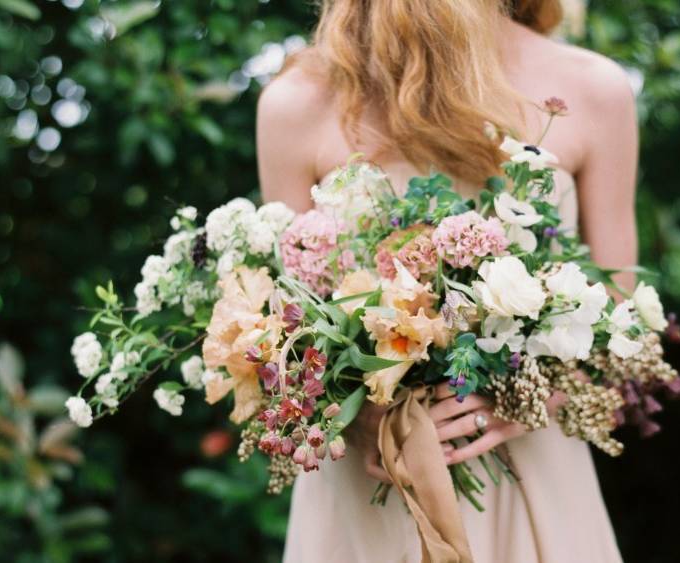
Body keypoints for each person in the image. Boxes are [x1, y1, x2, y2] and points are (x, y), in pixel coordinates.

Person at [257, 1, 636, 561]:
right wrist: (357, 422)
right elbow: (280, 329)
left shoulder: (592, 89)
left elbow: (624, 322)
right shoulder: (298, 103)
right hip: (368, 495)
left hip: (531, 475)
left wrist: (526, 399)